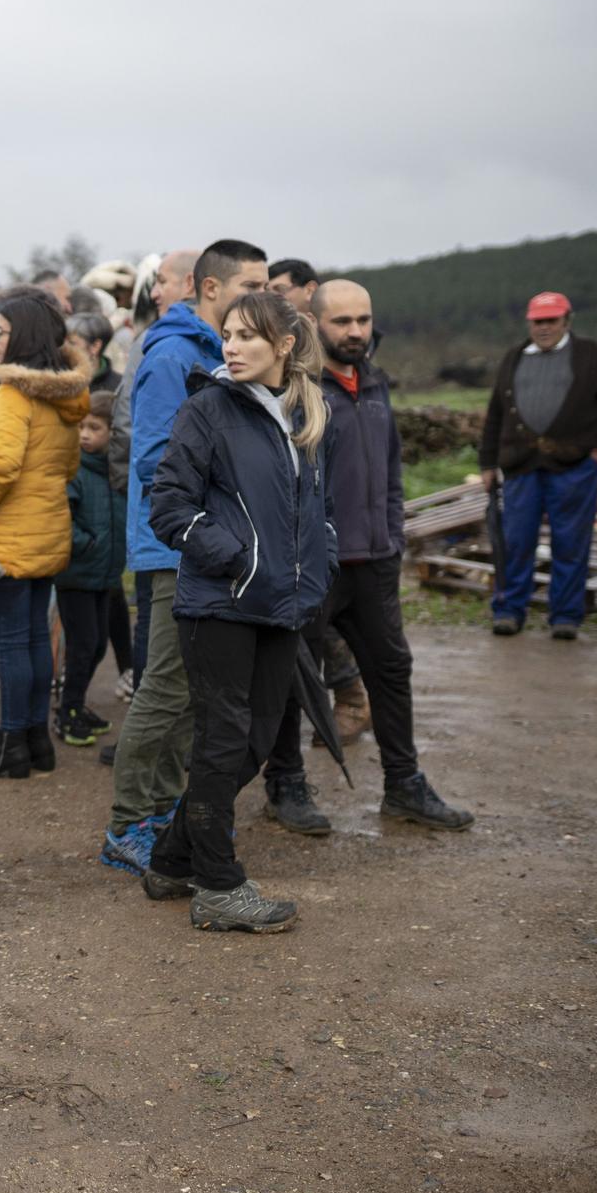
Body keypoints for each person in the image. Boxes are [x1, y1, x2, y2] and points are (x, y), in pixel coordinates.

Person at [141, 291, 333, 933]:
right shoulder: (207, 409)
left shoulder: (304, 414)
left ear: (284, 345)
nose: (233, 346)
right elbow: (167, 502)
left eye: (250, 336)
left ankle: (171, 860)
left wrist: (319, 560)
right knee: (223, 743)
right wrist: (237, 559)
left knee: (254, 741)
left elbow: (315, 511)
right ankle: (220, 887)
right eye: (228, 334)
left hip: (281, 607)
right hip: (219, 606)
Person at [257, 282, 475, 835]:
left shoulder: (374, 382)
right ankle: (286, 785)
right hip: (314, 567)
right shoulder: (297, 390)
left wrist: (393, 534)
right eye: (343, 321)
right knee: (293, 677)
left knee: (392, 671)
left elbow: (392, 468)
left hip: (375, 562)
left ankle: (404, 785)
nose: (356, 331)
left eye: (364, 320)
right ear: (316, 324)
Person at [103, 239, 268, 872]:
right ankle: (127, 825)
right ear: (211, 289)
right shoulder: (173, 355)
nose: (264, 294)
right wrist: (213, 521)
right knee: (166, 686)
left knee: (190, 691)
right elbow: (153, 459)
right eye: (252, 283)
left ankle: (165, 813)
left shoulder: (215, 352)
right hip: (173, 547)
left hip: (207, 544)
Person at [0, 297, 92, 779]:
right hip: (50, 527)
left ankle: (12, 743)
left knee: (14, 642)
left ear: (23, 336)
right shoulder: (63, 399)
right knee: (37, 636)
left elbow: (1, 463)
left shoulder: (13, 395)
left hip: (12, 533)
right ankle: (37, 741)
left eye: (0, 331)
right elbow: (70, 465)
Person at [480, 291, 597, 639]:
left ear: (566, 320)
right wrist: (488, 462)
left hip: (575, 466)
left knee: (571, 543)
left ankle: (565, 616)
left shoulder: (591, 356)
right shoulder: (515, 357)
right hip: (521, 466)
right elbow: (496, 415)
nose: (544, 327)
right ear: (529, 322)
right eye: (538, 321)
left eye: (552, 320)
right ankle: (509, 610)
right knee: (516, 541)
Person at [106, 248, 198, 737]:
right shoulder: (160, 347)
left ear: (193, 285)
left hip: (165, 518)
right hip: (163, 520)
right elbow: (133, 429)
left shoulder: (189, 343)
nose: (154, 292)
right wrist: (133, 488)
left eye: (161, 281)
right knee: (158, 644)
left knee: (164, 645)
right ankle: (143, 771)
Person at [56, 392, 126, 747]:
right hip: (77, 576)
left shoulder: (116, 473)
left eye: (94, 428)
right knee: (84, 646)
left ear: (113, 432)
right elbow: (61, 519)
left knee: (98, 644)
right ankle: (67, 712)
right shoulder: (75, 471)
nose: (85, 434)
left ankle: (76, 703)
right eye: (80, 426)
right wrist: (88, 543)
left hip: (105, 575)